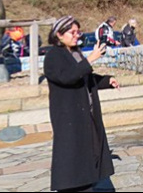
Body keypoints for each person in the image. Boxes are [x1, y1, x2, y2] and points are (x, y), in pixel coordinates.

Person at [45, 15, 120, 192]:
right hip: (69, 115)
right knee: (72, 157)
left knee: (88, 152)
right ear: (59, 34)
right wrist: (91, 59)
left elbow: (84, 76)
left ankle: (87, 183)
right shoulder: (53, 56)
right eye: (72, 32)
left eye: (78, 32)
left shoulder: (75, 53)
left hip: (85, 113)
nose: (76, 36)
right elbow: (67, 76)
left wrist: (106, 81)